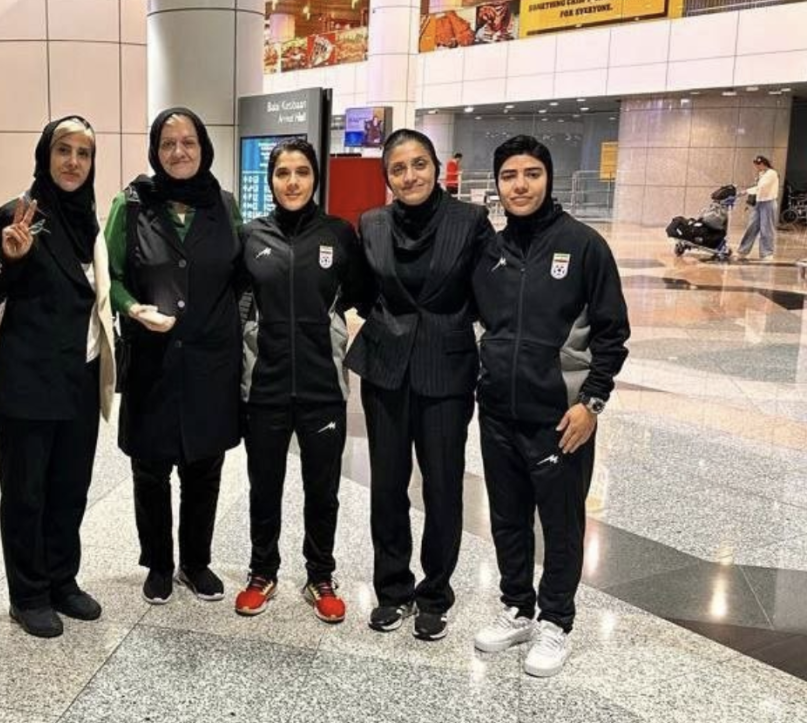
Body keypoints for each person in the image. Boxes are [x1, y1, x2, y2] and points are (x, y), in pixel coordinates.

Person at [472, 135, 630, 677]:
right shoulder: (490, 252)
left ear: (548, 178)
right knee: (507, 517)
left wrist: (592, 402)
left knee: (561, 523)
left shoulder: (584, 246)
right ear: (497, 184)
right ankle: (517, 608)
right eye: (509, 175)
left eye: (532, 174)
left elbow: (612, 333)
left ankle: (556, 620)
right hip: (497, 411)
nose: (520, 185)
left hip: (561, 417)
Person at [0, 116, 116, 638]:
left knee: (70, 489)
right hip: (28, 384)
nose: (73, 162)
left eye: (84, 153)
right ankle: (27, 593)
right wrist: (9, 261)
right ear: (45, 156)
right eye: (63, 150)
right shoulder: (18, 215)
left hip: (79, 381)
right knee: (26, 493)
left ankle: (61, 580)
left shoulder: (90, 222)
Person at [346, 129, 494, 641]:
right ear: (387, 177)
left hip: (446, 369)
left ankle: (435, 594)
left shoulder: (469, 220)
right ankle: (392, 590)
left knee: (443, 486)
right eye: (398, 168)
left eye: (419, 164)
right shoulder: (372, 223)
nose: (410, 176)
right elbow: (362, 291)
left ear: (436, 166)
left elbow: (487, 291)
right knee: (387, 485)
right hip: (385, 368)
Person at [106, 107, 242, 607]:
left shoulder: (224, 205)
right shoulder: (131, 205)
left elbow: (240, 276)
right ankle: (159, 564)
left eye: (188, 142)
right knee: (151, 467)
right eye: (167, 143)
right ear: (154, 150)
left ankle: (196, 562)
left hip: (211, 360)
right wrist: (131, 308)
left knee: (204, 466)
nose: (178, 152)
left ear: (204, 147)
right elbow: (109, 276)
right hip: (152, 358)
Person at [234, 139, 370, 624]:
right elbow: (235, 303)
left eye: (302, 172)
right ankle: (261, 572)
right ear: (271, 180)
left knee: (323, 489)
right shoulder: (251, 236)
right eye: (282, 173)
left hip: (322, 387)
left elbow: (362, 297)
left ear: (315, 178)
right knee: (263, 487)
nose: (292, 182)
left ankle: (321, 576)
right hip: (265, 386)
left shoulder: (339, 234)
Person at [737, 155, 779, 262]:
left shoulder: (771, 173)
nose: (757, 167)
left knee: (766, 229)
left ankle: (767, 253)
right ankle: (743, 251)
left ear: (764, 164)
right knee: (751, 227)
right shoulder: (762, 174)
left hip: (768, 203)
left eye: (758, 164)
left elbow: (761, 187)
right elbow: (758, 190)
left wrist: (746, 191)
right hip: (759, 203)